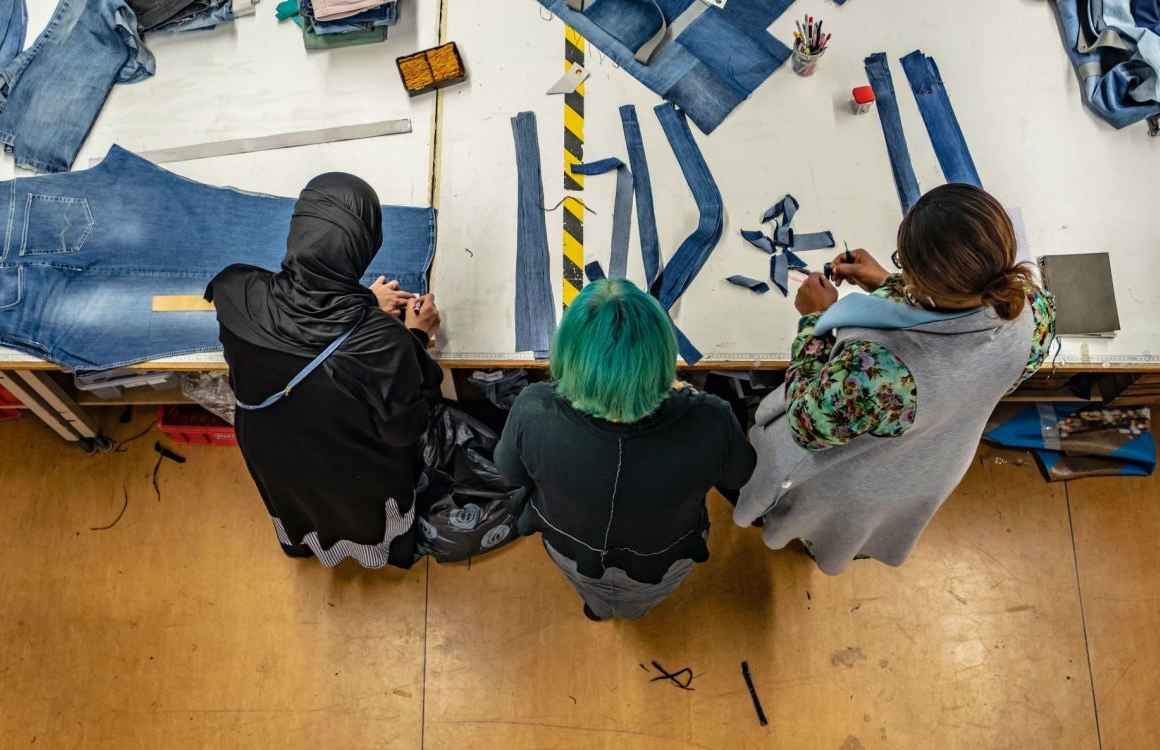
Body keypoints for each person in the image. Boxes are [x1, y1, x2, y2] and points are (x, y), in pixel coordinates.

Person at [734, 183, 1057, 575]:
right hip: (930, 465)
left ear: (925, 285)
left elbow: (807, 422)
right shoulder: (1032, 311)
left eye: (904, 264)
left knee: (825, 522)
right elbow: (971, 345)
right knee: (869, 527)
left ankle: (805, 540)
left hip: (861, 479)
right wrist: (889, 284)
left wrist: (814, 321)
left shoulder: (877, 372)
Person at [206, 173, 443, 569]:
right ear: (365, 246)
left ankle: (302, 548)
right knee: (358, 512)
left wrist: (365, 301)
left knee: (298, 504)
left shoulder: (236, 288)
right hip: (344, 458)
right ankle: (385, 554)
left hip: (270, 445)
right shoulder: (383, 343)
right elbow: (404, 428)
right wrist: (416, 334)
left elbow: (301, 325)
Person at [494, 279, 756, 621]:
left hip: (573, 548)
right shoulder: (711, 419)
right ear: (663, 355)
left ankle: (598, 609)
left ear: (568, 355)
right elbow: (739, 475)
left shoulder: (534, 409)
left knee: (590, 589)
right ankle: (633, 613)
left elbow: (509, 472)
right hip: (662, 557)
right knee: (642, 599)